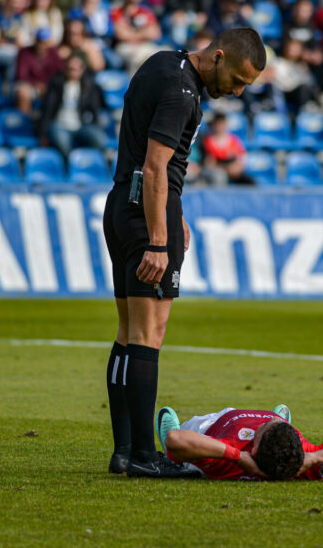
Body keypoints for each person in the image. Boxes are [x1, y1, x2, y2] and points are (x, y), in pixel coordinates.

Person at [102, 27, 266, 478]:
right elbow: (156, 166)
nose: (235, 91)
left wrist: (176, 215)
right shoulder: (183, 92)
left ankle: (124, 451)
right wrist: (160, 237)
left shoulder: (161, 64)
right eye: (236, 79)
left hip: (121, 205)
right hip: (145, 216)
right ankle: (142, 456)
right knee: (149, 335)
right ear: (217, 56)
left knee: (128, 330)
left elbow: (152, 164)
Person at [158, 405, 323, 481]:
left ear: (255, 448)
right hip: (285, 453)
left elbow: (177, 440)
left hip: (214, 425)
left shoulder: (227, 458)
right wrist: (318, 457)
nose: (268, 422)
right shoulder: (304, 458)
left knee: (183, 448)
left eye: (264, 428)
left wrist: (238, 456)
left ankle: (176, 458)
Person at [37, 54, 106, 159]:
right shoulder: (56, 84)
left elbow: (95, 109)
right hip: (60, 125)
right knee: (63, 145)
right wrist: (43, 133)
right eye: (68, 69)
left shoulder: (89, 86)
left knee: (99, 140)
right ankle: (69, 170)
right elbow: (47, 109)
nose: (71, 72)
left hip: (81, 125)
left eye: (74, 69)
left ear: (82, 70)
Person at [201, 114, 254, 185]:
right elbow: (210, 163)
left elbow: (241, 159)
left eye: (222, 124)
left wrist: (236, 168)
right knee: (220, 177)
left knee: (250, 182)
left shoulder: (233, 140)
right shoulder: (208, 141)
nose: (220, 127)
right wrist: (226, 168)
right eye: (218, 124)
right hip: (219, 171)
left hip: (234, 171)